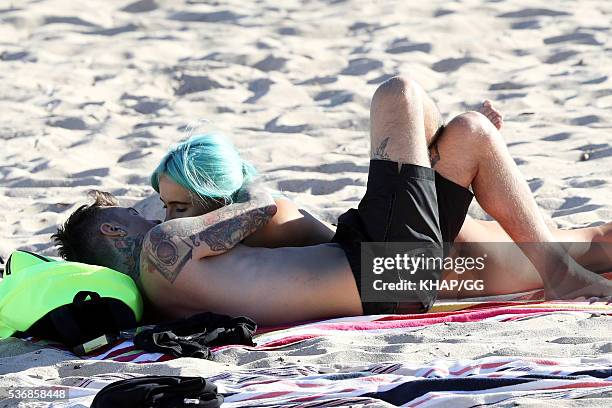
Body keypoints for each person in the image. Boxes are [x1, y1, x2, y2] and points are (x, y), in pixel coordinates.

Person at [53, 76, 612, 326]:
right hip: (389, 274)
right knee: (399, 94)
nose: (146, 207)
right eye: (129, 209)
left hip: (381, 270)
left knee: (469, 134)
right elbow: (262, 207)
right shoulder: (159, 248)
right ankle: (559, 274)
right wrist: (206, 198)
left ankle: (451, 155)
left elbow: (298, 245)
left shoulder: (170, 295)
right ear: (112, 232)